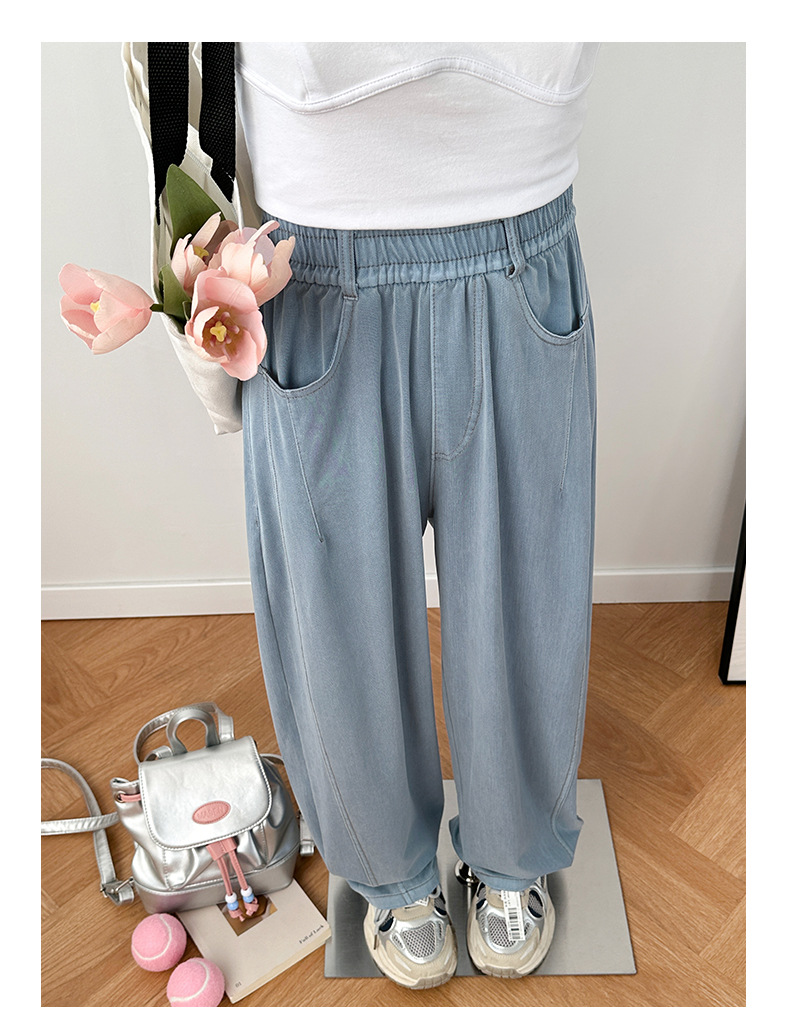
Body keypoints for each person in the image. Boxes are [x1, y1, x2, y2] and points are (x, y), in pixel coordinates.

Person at [128, 41, 599, 990]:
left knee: (526, 592)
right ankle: (391, 873)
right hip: (310, 264)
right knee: (333, 613)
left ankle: (512, 856)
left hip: (523, 235)